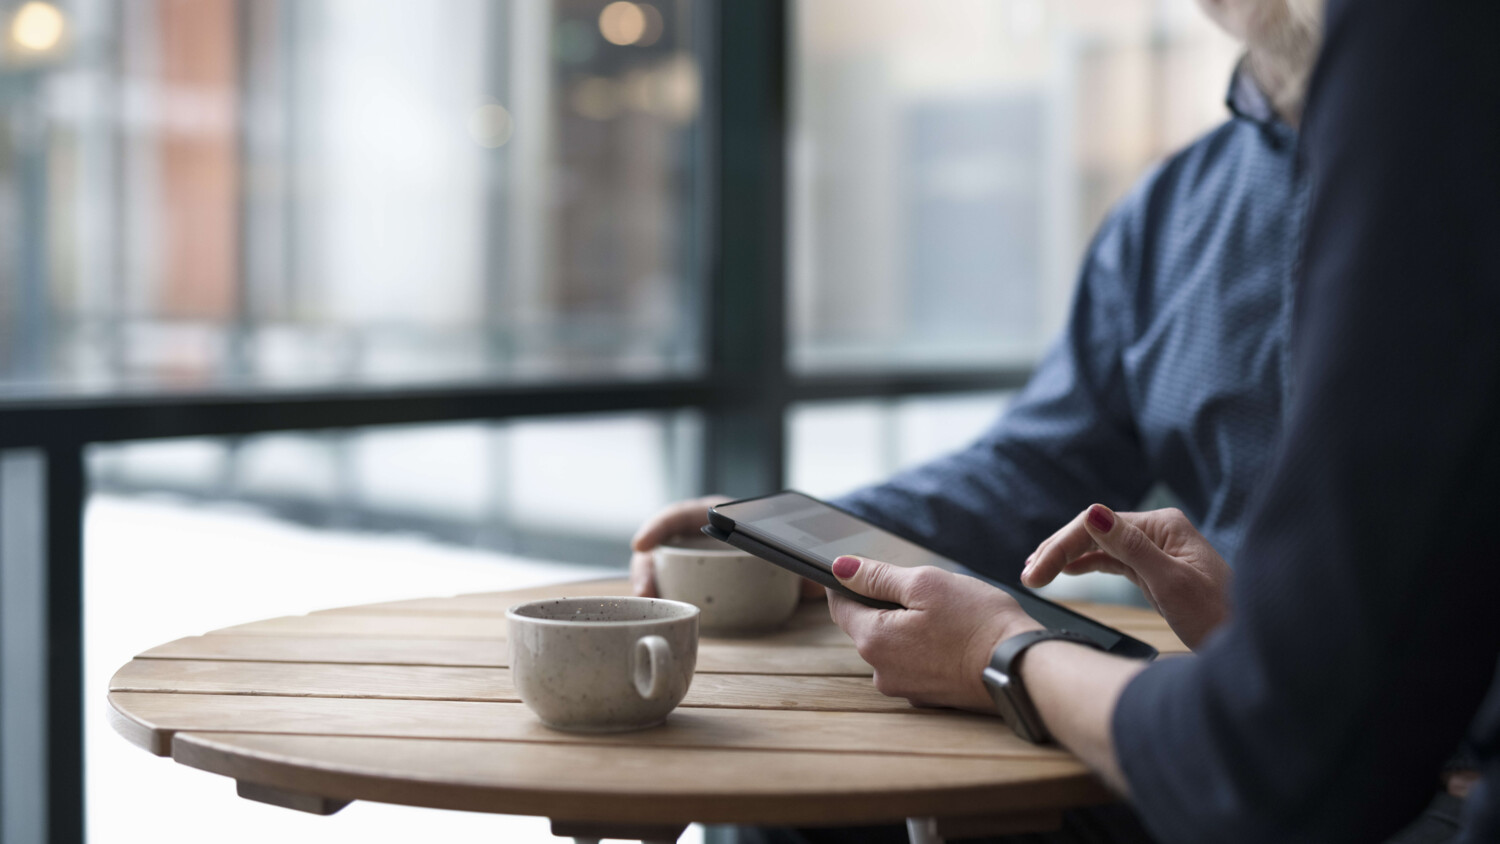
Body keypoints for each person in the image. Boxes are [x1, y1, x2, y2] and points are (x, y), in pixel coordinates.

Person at [823, 0, 1500, 841]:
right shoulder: (1174, 212)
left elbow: (1292, 752)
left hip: (1349, 775)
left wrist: (997, 652)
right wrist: (818, 541)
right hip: (1251, 733)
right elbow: (1039, 460)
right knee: (814, 812)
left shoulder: (1446, 101)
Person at [632, 0, 1316, 601]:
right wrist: (800, 536)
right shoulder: (1171, 213)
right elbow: (1043, 468)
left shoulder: (1419, 188)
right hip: (1223, 713)